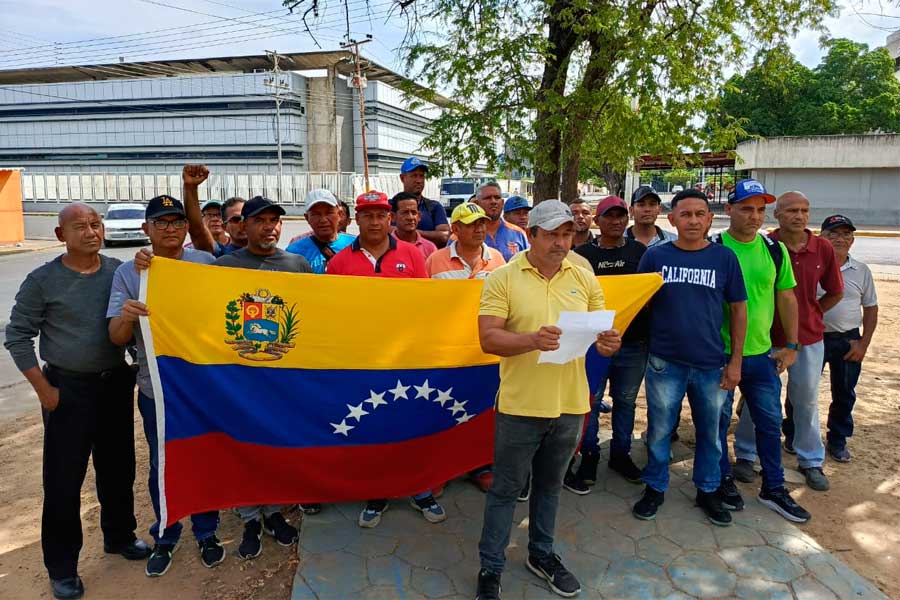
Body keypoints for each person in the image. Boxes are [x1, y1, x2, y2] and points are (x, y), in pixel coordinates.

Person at [475, 200, 621, 600]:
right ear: (532, 235)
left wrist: (610, 342)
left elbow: (601, 334)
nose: (561, 242)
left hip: (571, 404)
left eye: (567, 234)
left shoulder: (583, 273)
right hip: (520, 406)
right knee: (506, 489)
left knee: (550, 486)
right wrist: (530, 340)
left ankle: (541, 554)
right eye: (553, 234)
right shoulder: (503, 278)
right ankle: (491, 566)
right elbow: (489, 339)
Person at [4, 203, 150, 600]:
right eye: (81, 226)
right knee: (64, 481)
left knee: (118, 468)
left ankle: (120, 536)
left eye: (96, 224)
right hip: (66, 389)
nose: (91, 232)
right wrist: (43, 390)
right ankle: (63, 567)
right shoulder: (42, 280)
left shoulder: (118, 272)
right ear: (60, 235)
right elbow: (17, 336)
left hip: (114, 385)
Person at [107, 196, 226, 576]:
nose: (171, 228)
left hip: (203, 386)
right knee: (163, 461)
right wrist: (127, 317)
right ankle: (166, 533)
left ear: (187, 228)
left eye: (177, 222)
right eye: (161, 223)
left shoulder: (205, 264)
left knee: (204, 456)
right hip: (156, 388)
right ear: (147, 230)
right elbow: (114, 336)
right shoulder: (130, 273)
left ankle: (207, 531)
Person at [327, 190, 446, 527]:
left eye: (381, 214)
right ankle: (377, 492)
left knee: (411, 423)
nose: (375, 221)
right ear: (356, 219)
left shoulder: (411, 255)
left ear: (389, 218)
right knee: (372, 427)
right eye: (368, 215)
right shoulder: (338, 262)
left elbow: (424, 309)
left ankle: (419, 489)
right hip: (361, 362)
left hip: (406, 358)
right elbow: (333, 315)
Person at [633, 188, 747, 527]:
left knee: (711, 432)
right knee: (659, 428)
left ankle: (708, 489)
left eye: (700, 214)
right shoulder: (655, 257)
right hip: (664, 361)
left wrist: (736, 361)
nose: (693, 220)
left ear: (710, 219)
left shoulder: (724, 258)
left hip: (711, 362)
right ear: (672, 219)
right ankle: (655, 485)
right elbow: (639, 300)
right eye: (685, 214)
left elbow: (739, 310)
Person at [712, 179, 811, 523]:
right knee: (717, 423)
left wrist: (793, 346)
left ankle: (774, 487)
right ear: (729, 210)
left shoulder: (774, 249)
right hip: (719, 356)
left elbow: (786, 297)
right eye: (745, 208)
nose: (754, 216)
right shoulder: (713, 248)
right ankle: (722, 480)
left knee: (769, 424)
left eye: (760, 210)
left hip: (763, 356)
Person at [732, 192, 844, 492]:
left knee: (805, 399)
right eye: (792, 210)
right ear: (777, 214)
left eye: (805, 210)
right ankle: (745, 454)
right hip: (765, 339)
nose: (800, 216)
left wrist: (813, 313)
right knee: (759, 400)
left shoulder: (822, 248)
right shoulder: (766, 245)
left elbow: (834, 290)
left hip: (807, 340)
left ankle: (810, 459)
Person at [215, 197, 307, 556]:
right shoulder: (224, 267)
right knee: (244, 446)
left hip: (283, 378)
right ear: (244, 226)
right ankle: (250, 515)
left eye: (275, 221)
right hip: (241, 378)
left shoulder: (296, 265)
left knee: (276, 446)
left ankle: (274, 511)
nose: (270, 227)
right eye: (260, 221)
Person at [567, 196, 649, 492]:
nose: (616, 221)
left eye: (620, 216)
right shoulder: (582, 255)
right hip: (592, 344)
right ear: (596, 221)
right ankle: (589, 454)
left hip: (633, 343)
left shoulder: (641, 252)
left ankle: (620, 454)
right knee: (589, 401)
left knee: (626, 401)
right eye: (609, 216)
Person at [818, 215, 878, 463]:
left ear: (852, 240)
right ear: (822, 238)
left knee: (844, 392)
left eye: (845, 235)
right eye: (833, 234)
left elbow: (871, 308)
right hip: (814, 339)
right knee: (802, 390)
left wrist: (863, 343)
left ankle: (838, 440)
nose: (839, 239)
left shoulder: (861, 270)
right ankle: (793, 433)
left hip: (848, 341)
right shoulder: (814, 266)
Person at [426, 202, 505, 280]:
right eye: (472, 224)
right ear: (455, 229)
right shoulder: (435, 261)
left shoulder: (497, 258)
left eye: (482, 223)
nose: (479, 230)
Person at [285, 189, 355, 274]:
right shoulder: (294, 251)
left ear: (339, 214)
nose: (323, 220)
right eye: (316, 214)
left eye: (329, 213)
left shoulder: (355, 245)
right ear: (307, 218)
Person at [399, 156, 450, 247]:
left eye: (421, 176)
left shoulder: (434, 207)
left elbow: (445, 236)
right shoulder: (392, 205)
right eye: (414, 175)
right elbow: (385, 230)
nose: (419, 180)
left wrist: (414, 233)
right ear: (403, 178)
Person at [474, 182, 529, 261]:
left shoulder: (519, 234)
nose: (493, 201)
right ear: (476, 203)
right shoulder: (464, 234)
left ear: (502, 203)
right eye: (488, 198)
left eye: (497, 197)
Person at [391, 192, 438, 259]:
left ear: (419, 216)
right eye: (404, 213)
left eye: (414, 212)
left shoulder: (430, 248)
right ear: (393, 217)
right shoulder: (384, 247)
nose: (410, 217)